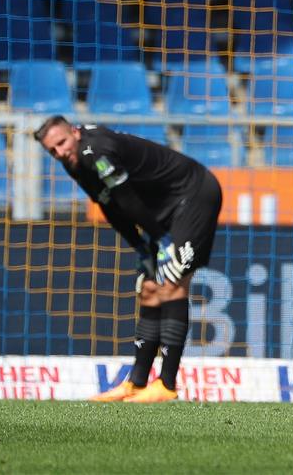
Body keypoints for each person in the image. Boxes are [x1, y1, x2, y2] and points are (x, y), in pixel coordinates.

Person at [35, 116, 223, 403]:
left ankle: (167, 386)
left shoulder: (96, 151)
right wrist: (140, 247)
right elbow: (111, 206)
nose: (60, 153)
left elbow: (126, 198)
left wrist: (160, 240)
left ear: (74, 132)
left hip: (193, 195)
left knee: (172, 281)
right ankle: (136, 383)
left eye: (61, 143)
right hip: (164, 208)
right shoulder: (74, 162)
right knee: (149, 289)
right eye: (53, 151)